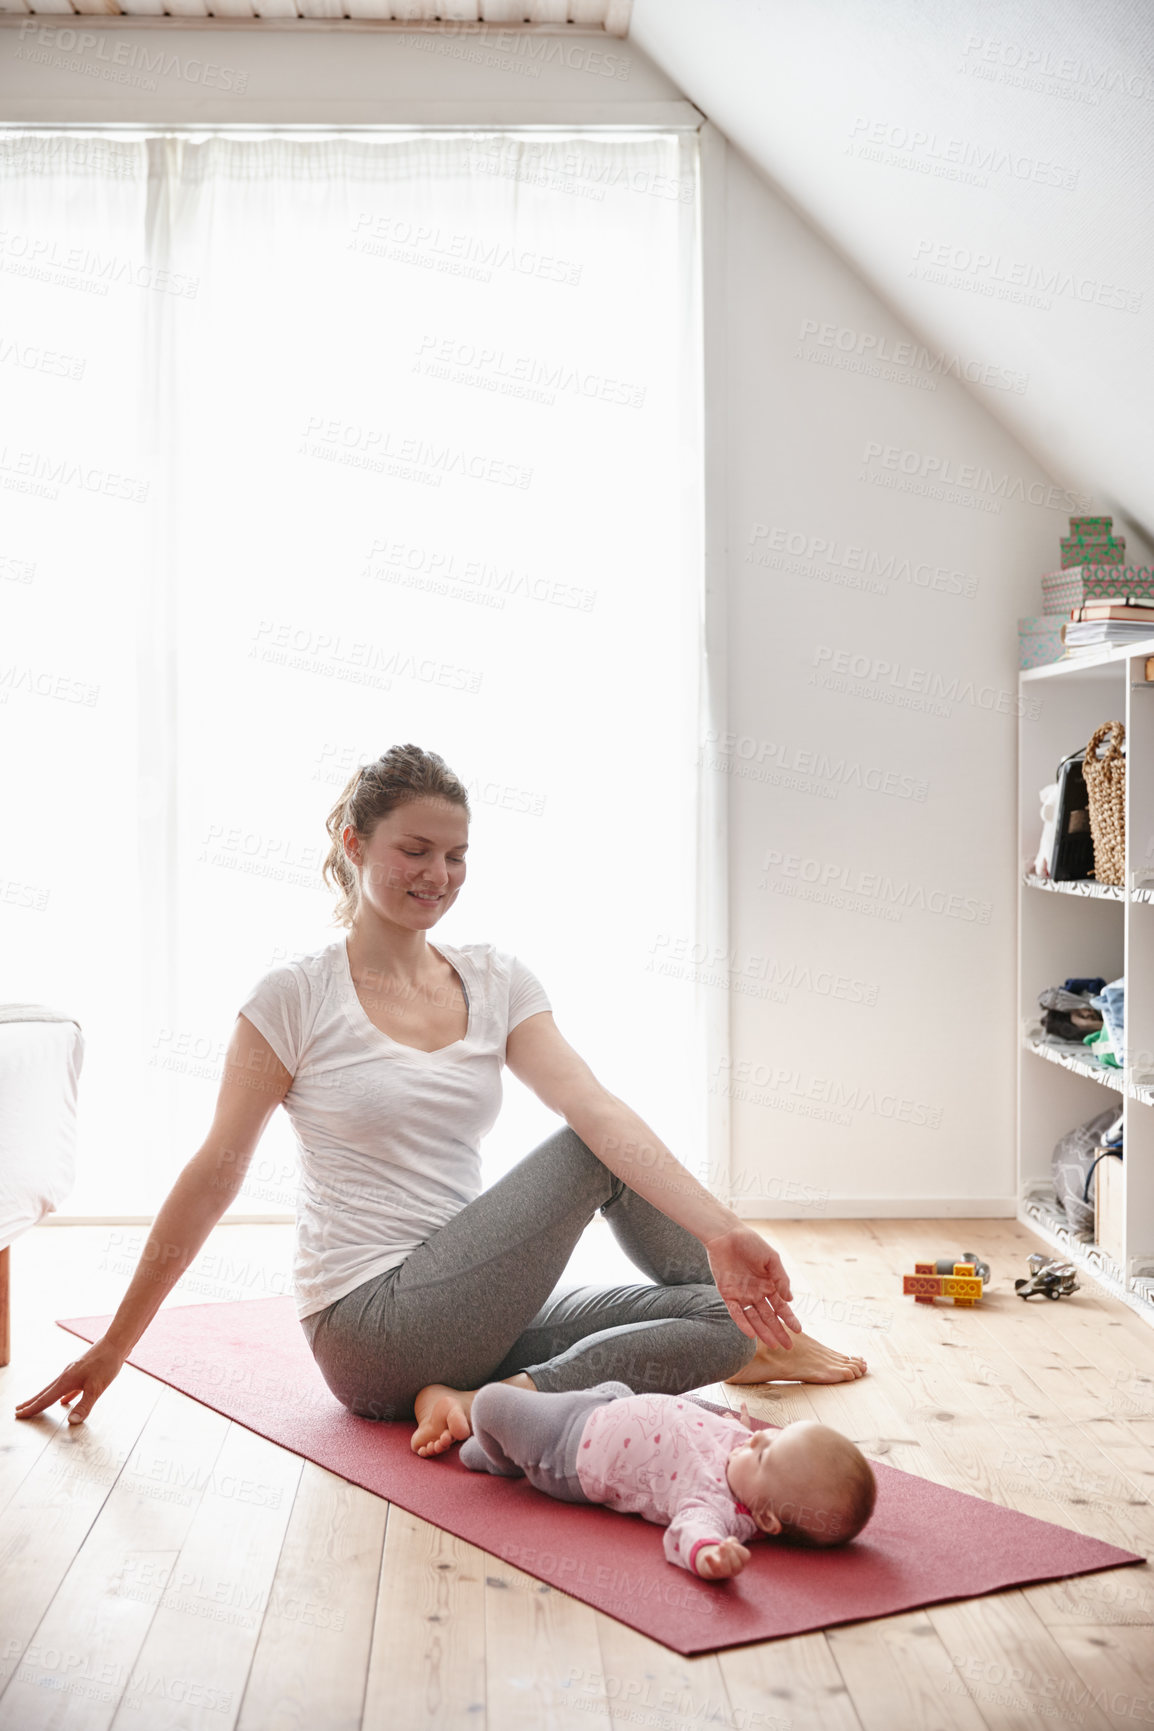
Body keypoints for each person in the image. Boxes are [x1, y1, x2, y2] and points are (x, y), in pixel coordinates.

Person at [14, 744, 865, 1446]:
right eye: (414, 850)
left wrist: (724, 1232)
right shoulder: (295, 995)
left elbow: (597, 1101)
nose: (439, 873)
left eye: (455, 854)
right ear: (354, 843)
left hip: (474, 1311)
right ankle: (488, 1390)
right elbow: (214, 1173)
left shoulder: (494, 978)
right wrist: (117, 1346)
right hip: (368, 1328)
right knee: (585, 1153)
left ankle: (515, 1394)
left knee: (726, 1322)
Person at [459, 1380, 878, 1578]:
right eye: (776, 1433)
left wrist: (709, 1555)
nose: (758, 1438)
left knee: (491, 1402)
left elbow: (691, 1533)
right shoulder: (749, 1457)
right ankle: (515, 1442)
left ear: (766, 1519)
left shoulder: (714, 1505)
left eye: (766, 1452)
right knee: (616, 1385)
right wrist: (739, 1427)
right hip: (613, 1404)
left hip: (571, 1448)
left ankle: (505, 1462)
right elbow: (722, 1432)